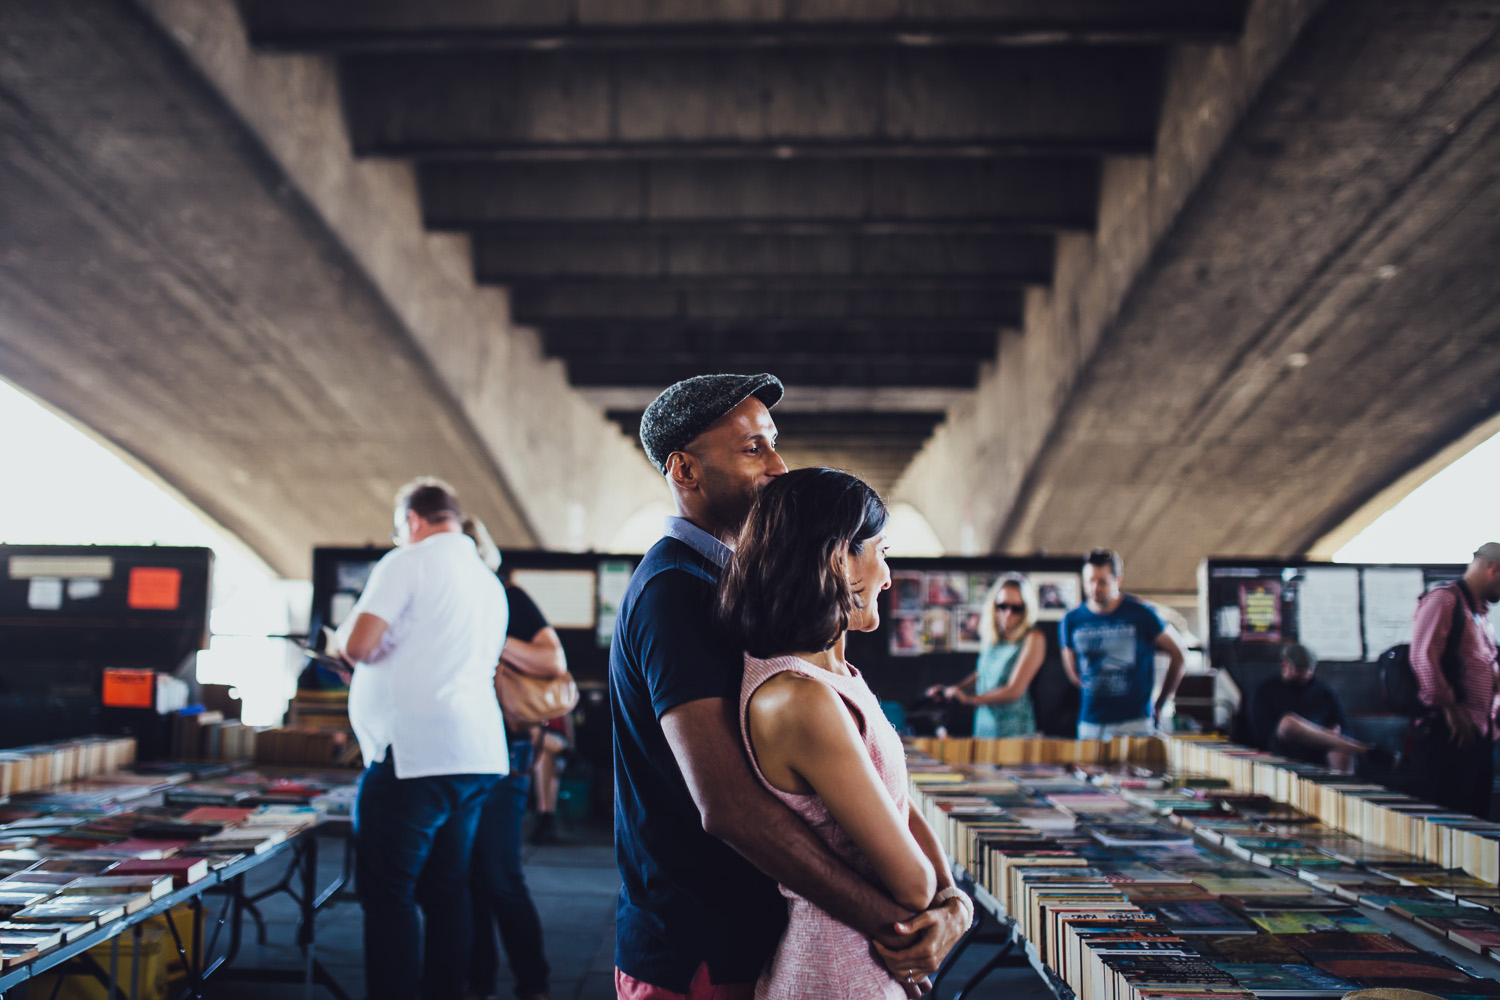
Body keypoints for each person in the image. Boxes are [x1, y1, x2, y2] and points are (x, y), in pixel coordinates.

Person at [610, 373, 969, 1000]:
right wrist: (901, 928)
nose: (778, 466)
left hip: (758, 936)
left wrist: (951, 903)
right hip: (700, 945)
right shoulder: (675, 592)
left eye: (774, 444)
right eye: (752, 449)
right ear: (685, 471)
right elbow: (729, 807)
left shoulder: (732, 584)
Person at [720, 468, 972, 997]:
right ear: (839, 558)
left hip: (865, 963)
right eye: (880, 551)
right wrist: (944, 899)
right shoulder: (798, 698)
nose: (886, 575)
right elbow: (912, 882)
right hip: (833, 973)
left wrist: (956, 901)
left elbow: (896, 806)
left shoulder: (836, 678)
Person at [330, 478, 509, 1000]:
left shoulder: (407, 562)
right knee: (447, 893)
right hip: (474, 753)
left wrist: (342, 641)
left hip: (414, 758)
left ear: (412, 521)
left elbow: (359, 644)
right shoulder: (485, 578)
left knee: (389, 898)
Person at [460, 518, 562, 1000]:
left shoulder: (506, 598)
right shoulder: (446, 600)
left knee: (499, 875)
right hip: (455, 753)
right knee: (466, 878)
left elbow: (551, 662)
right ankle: (477, 982)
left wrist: (486, 638)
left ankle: (533, 983)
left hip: (505, 749)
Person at [1406, 543, 1500, 818]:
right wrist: (1450, 709)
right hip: (1449, 731)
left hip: (1481, 734)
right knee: (1447, 822)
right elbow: (1423, 656)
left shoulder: (1481, 614)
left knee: (1477, 821)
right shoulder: (1445, 599)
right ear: (1494, 569)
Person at [1059, 548, 1185, 739]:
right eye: (1090, 581)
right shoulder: (1071, 620)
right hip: (1090, 724)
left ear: (1118, 580)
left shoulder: (1142, 613)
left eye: (1102, 582)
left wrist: (1160, 703)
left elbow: (1179, 653)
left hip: (1135, 723)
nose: (1095, 588)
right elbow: (1074, 673)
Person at [927, 574, 1044, 738]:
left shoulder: (1033, 637)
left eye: (1016, 608)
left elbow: (1014, 691)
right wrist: (953, 690)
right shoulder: (993, 636)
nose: (1008, 613)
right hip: (985, 727)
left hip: (1015, 732)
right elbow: (983, 674)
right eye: (1002, 606)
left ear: (1026, 609)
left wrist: (969, 700)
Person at [1248, 644, 1375, 772]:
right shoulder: (1266, 690)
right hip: (1283, 745)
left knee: (1341, 750)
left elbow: (1344, 724)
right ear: (1285, 664)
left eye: (1309, 669)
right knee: (1288, 722)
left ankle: (1343, 790)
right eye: (1300, 669)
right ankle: (1364, 749)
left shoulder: (1324, 691)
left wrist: (1337, 730)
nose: (1306, 674)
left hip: (1319, 747)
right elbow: (1261, 731)